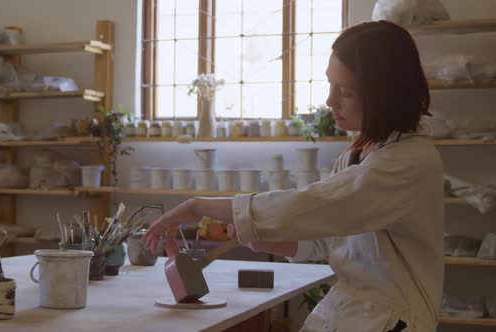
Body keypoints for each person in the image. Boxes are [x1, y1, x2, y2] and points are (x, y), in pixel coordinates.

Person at [143, 20, 443, 332]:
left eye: (346, 91)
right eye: (330, 85)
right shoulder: (359, 152)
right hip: (354, 310)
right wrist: (261, 235)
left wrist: (199, 206)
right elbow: (324, 239)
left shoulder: (407, 162)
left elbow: (317, 206)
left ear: (384, 94)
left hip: (394, 318)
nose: (330, 101)